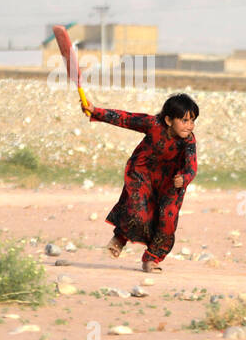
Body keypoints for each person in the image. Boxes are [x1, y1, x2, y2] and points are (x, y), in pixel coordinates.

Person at [82, 92, 199, 272]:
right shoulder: (153, 124)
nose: (189, 126)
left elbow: (191, 166)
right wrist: (95, 111)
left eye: (192, 121)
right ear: (169, 120)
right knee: (138, 211)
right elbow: (125, 118)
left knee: (167, 220)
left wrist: (184, 178)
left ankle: (152, 258)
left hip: (170, 183)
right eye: (184, 121)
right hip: (142, 174)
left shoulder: (189, 141)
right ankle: (120, 237)